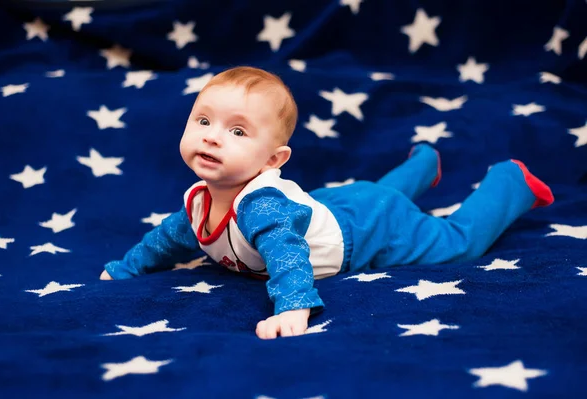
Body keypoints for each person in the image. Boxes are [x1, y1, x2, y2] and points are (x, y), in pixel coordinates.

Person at [99, 66, 555, 339]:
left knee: (456, 242)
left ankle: (510, 182)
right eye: (203, 119)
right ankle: (421, 167)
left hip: (362, 234)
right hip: (334, 206)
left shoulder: (262, 209)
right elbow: (166, 240)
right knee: (374, 195)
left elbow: (288, 257)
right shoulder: (199, 201)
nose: (212, 136)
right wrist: (125, 269)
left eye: (237, 131)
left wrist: (292, 309)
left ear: (273, 160)